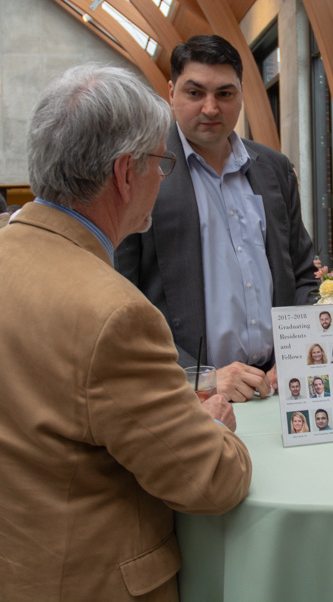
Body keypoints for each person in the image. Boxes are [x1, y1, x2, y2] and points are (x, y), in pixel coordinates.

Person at [0, 65, 251, 599]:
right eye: (160, 163)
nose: (162, 178)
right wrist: (211, 424)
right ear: (125, 174)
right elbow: (210, 480)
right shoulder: (114, 312)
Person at [115, 34, 317, 403]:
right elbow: (121, 298)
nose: (210, 108)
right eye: (195, 93)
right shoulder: (141, 169)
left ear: (241, 95)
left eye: (225, 94)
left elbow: (303, 275)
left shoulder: (274, 169)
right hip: (192, 398)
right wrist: (198, 379)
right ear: (171, 93)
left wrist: (295, 353)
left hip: (278, 388)